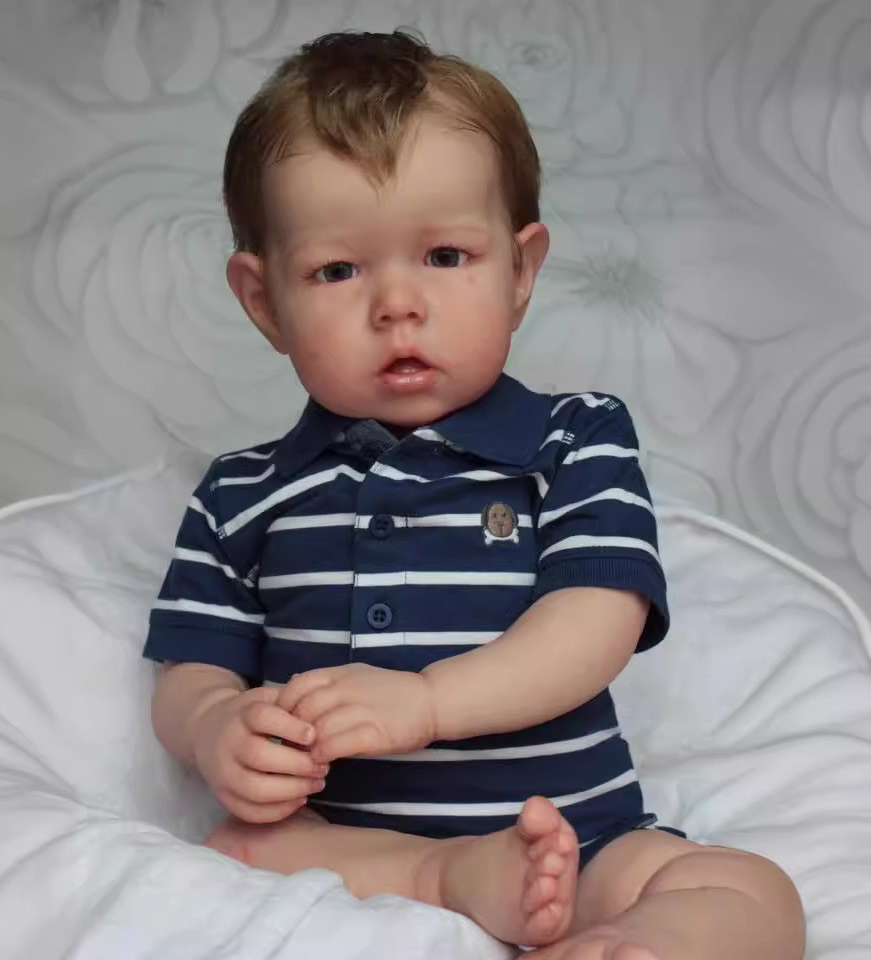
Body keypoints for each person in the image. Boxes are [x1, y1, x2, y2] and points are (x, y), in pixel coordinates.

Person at [144, 30, 805, 958]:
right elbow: (191, 669)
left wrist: (427, 702)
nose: (397, 305)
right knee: (235, 850)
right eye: (337, 270)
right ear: (264, 303)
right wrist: (217, 725)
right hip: (361, 856)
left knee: (750, 891)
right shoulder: (243, 493)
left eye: (446, 256)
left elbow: (594, 624)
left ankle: (627, 945)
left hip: (574, 837)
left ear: (520, 271)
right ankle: (450, 878)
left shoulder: (571, 440)